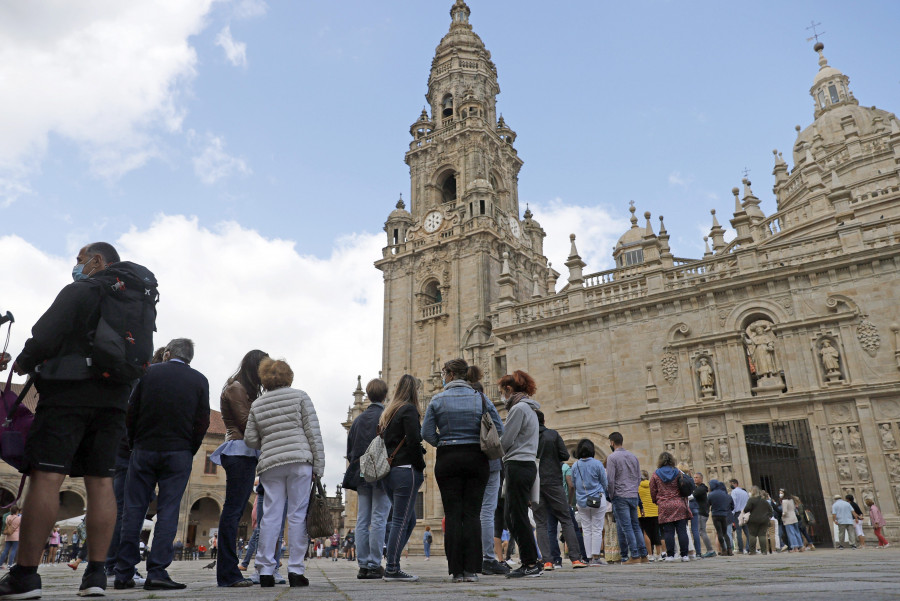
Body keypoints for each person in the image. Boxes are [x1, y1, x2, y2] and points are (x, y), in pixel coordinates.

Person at [2, 243, 145, 599]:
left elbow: (45, 335)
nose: (77, 266)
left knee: (47, 477)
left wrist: (22, 361)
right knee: (100, 482)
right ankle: (96, 575)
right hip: (114, 400)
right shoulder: (139, 300)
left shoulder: (81, 289)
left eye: (80, 260)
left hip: (68, 394)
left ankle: (25, 576)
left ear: (97, 261)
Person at [114, 338, 210, 591]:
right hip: (178, 452)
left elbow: (130, 411)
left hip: (144, 449)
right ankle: (157, 571)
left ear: (167, 353)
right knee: (168, 511)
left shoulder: (147, 373)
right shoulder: (199, 380)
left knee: (133, 509)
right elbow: (203, 421)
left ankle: (123, 572)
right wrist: (191, 448)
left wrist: (134, 442)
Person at [245, 358, 325, 588]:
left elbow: (250, 439)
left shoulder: (257, 404)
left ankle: (266, 570)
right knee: (297, 515)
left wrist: (268, 439)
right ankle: (296, 570)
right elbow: (313, 434)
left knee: (270, 516)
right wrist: (318, 467)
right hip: (300, 461)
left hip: (271, 464)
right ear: (288, 376)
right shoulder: (300, 396)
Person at [423, 361, 495, 583]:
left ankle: (456, 571)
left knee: (453, 514)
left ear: (451, 374)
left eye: (444, 373)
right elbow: (498, 429)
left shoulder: (437, 399)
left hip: (448, 458)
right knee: (472, 514)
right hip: (477, 457)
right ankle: (472, 570)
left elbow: (426, 432)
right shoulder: (481, 398)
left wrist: (443, 442)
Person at [211, 349, 268, 588]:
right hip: (239, 451)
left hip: (246, 453)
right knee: (233, 511)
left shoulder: (245, 390)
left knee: (234, 510)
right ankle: (227, 573)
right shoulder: (235, 388)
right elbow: (246, 424)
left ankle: (229, 571)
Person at [376, 374, 424, 582]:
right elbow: (414, 441)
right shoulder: (409, 410)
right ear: (414, 391)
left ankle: (392, 559)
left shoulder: (389, 412)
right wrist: (420, 466)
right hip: (405, 470)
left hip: (389, 472)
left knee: (409, 519)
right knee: (400, 520)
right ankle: (393, 567)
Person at [496, 370, 542, 579]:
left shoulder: (519, 409)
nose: (501, 396)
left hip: (518, 464)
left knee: (517, 516)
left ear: (509, 389)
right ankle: (530, 560)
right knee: (513, 515)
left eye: (502, 392)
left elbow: (506, 441)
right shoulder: (529, 408)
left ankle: (530, 562)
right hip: (524, 464)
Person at [346, 379, 390, 580]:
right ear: (385, 395)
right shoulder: (386, 417)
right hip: (381, 473)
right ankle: (374, 564)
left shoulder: (357, 420)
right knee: (379, 518)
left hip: (362, 473)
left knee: (362, 519)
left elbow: (349, 451)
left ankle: (363, 564)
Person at [533, 411, 586, 570]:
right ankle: (575, 559)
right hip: (554, 481)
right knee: (565, 519)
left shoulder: (528, 437)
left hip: (536, 482)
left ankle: (548, 561)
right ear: (544, 420)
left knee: (541, 523)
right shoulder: (553, 435)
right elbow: (564, 454)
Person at [467, 376, 509, 577]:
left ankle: (469, 556)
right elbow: (499, 429)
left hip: (465, 461)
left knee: (468, 510)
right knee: (486, 512)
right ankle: (488, 559)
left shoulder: (459, 403)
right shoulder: (485, 400)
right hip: (490, 462)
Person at [606, 432, 647, 563]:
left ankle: (634, 555)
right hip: (633, 494)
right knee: (636, 526)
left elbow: (610, 480)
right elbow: (638, 477)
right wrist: (634, 491)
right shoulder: (633, 456)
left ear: (612, 442)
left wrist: (611, 495)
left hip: (620, 495)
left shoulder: (612, 458)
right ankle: (644, 555)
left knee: (627, 527)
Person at [570, 439, 607, 566]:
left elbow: (574, 484)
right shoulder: (597, 464)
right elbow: (604, 482)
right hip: (597, 499)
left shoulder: (575, 465)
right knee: (597, 527)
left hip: (582, 500)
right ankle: (596, 557)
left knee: (586, 529)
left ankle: (588, 557)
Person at [649, 452, 691, 562]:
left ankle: (670, 555)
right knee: (682, 530)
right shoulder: (677, 472)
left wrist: (656, 501)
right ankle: (685, 555)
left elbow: (653, 490)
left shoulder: (655, 474)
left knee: (668, 532)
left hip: (665, 505)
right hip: (679, 504)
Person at [638, 471, 662, 561]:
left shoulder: (638, 487)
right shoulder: (653, 485)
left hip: (643, 513)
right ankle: (659, 555)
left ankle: (650, 554)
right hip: (655, 512)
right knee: (656, 533)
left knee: (646, 533)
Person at [689, 473, 715, 558]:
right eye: (694, 477)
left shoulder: (702, 488)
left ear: (701, 479)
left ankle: (710, 550)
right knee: (700, 531)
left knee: (701, 531)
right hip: (701, 512)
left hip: (701, 512)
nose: (695, 479)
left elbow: (692, 495)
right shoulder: (698, 488)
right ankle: (709, 550)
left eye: (697, 478)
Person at [741, 486, 773, 554]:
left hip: (753, 520)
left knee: (752, 535)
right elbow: (770, 510)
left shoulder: (751, 500)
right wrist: (768, 517)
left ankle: (752, 551)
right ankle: (764, 551)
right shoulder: (763, 500)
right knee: (762, 535)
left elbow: (746, 509)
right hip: (764, 520)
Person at [707, 480, 734, 556]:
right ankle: (730, 550)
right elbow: (732, 506)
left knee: (719, 533)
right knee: (725, 533)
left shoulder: (711, 494)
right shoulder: (726, 495)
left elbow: (708, 505)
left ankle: (724, 550)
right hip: (724, 515)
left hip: (715, 515)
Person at [729, 479, 749, 554]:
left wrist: (732, 512)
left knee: (738, 531)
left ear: (735, 484)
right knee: (747, 531)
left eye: (731, 484)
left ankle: (741, 549)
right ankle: (749, 547)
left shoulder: (734, 492)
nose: (730, 486)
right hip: (745, 512)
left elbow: (733, 503)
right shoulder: (744, 492)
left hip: (737, 513)